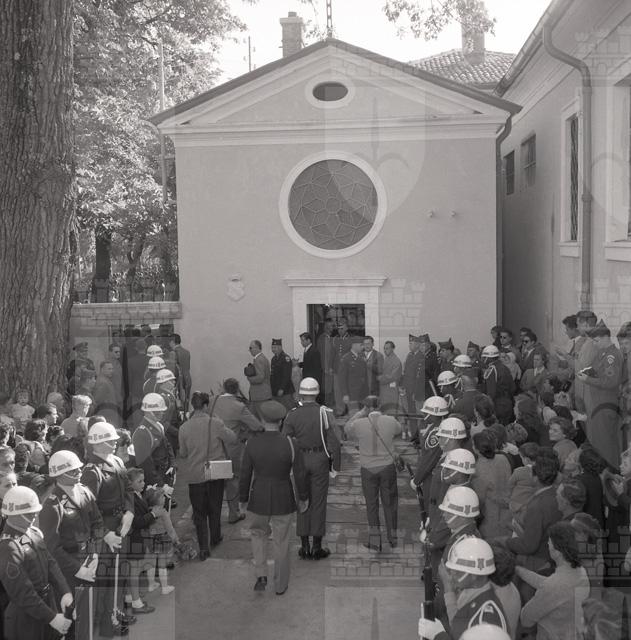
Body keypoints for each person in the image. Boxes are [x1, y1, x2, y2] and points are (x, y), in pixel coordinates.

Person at [239, 400, 308, 595]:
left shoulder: (251, 443)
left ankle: (261, 574)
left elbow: (245, 474)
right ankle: (280, 585)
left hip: (258, 497)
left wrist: (243, 499)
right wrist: (303, 497)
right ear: (281, 421)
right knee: (282, 541)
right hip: (283, 498)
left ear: (261, 420)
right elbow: (300, 474)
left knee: (258, 534)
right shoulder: (291, 444)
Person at [39, 450, 104, 638]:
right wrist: (77, 569)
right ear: (59, 474)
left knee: (87, 613)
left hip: (89, 559)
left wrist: (95, 553)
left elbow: (97, 523)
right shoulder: (52, 505)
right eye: (73, 471)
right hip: (67, 568)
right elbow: (51, 547)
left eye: (78, 469)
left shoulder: (84, 491)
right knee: (72, 618)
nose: (78, 473)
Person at [81, 422, 135, 638]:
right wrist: (104, 533)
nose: (115, 443)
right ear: (97, 443)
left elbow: (128, 488)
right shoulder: (91, 471)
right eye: (110, 440)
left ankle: (115, 615)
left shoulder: (116, 461)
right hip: (106, 530)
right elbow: (88, 508)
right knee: (106, 580)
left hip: (121, 524)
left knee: (118, 576)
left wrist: (130, 511)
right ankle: (107, 625)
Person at [0, 486, 73, 640]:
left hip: (47, 606)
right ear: (14, 514)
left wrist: (64, 590)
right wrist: (52, 618)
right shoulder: (8, 548)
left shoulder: (33, 533)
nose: (35, 515)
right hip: (26, 618)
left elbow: (50, 563)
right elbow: (23, 593)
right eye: (30, 513)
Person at [282, 378, 340, 560]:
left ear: (301, 393)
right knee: (319, 502)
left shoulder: (292, 414)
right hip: (319, 459)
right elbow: (335, 441)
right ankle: (316, 547)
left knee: (302, 499)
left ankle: (304, 546)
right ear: (317, 392)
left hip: (299, 460)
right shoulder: (325, 412)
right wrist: (336, 466)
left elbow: (285, 441)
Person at [178, 391, 236, 560]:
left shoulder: (184, 428)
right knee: (215, 508)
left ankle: (203, 547)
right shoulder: (215, 423)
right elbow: (232, 438)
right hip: (215, 473)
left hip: (195, 475)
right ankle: (215, 537)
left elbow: (183, 453)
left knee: (199, 512)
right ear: (205, 405)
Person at [417, 537, 508, 640]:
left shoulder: (487, 616)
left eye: (457, 571)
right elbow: (458, 626)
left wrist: (438, 635)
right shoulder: (471, 594)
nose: (451, 574)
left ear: (474, 575)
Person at [345, 396, 402, 551]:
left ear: (365, 407)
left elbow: (346, 429)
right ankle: (392, 538)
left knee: (371, 505)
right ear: (380, 406)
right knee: (390, 504)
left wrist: (360, 413)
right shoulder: (390, 421)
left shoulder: (359, 424)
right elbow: (399, 430)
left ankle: (375, 541)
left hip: (368, 469)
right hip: (387, 467)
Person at [517, 522, 590, 640]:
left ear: (558, 552)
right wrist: (520, 571)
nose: (547, 544)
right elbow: (550, 585)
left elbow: (526, 619)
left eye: (549, 542)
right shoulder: (580, 571)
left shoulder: (554, 585)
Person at [499, 454, 562, 571]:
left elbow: (529, 546)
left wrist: (505, 541)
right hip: (551, 554)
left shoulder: (537, 505)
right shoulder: (556, 495)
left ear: (535, 478)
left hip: (538, 560)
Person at [576, 320, 623, 468]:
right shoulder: (602, 353)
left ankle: (611, 472)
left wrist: (588, 379)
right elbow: (594, 368)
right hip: (597, 404)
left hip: (605, 405)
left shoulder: (612, 356)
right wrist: (585, 372)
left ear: (605, 338)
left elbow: (611, 382)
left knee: (605, 443)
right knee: (597, 441)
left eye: (596, 341)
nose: (595, 344)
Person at [471, 430, 512, 538]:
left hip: (490, 518)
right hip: (507, 515)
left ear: (477, 449)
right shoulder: (503, 459)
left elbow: (478, 500)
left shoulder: (478, 469)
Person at [132, 393, 176, 491]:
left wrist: (172, 465)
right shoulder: (142, 433)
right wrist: (160, 485)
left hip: (164, 474)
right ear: (148, 412)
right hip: (154, 483)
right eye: (157, 412)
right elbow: (146, 464)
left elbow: (167, 446)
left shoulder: (159, 426)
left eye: (162, 411)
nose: (161, 414)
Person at [412, 396, 450, 500]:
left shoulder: (435, 432)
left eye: (426, 412)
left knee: (429, 502)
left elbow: (429, 460)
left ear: (432, 414)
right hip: (431, 472)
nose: (424, 414)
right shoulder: (437, 425)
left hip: (430, 475)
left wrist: (417, 480)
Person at [143, 486, 177, 595]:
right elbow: (169, 527)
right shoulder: (163, 512)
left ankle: (151, 584)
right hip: (162, 538)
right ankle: (165, 587)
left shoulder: (148, 512)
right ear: (157, 500)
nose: (164, 498)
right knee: (162, 564)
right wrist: (175, 539)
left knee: (151, 563)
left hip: (150, 538)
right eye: (162, 497)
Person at [481, 345, 515, 425]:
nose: (483, 359)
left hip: (497, 406)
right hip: (508, 403)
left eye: (484, 357)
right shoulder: (505, 367)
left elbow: (491, 393)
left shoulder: (492, 370)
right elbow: (513, 388)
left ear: (489, 358)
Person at [401, 334, 425, 442]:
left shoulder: (421, 357)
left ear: (418, 345)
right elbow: (406, 373)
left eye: (411, 343)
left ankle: (419, 436)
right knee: (411, 413)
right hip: (408, 390)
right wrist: (403, 386)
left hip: (416, 391)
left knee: (418, 413)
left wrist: (416, 391)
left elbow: (419, 377)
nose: (409, 345)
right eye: (409, 343)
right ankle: (413, 434)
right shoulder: (410, 356)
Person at [338, 336, 369, 418]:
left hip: (362, 394)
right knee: (354, 417)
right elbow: (342, 379)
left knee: (363, 417)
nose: (363, 347)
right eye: (361, 345)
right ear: (354, 345)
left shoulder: (362, 356)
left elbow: (365, 376)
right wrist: (345, 394)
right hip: (352, 394)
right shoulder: (345, 359)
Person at [244, 340, 272, 419]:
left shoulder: (259, 359)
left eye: (250, 348)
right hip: (260, 395)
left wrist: (249, 378)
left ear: (256, 348)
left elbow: (260, 377)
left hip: (260, 395)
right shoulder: (260, 358)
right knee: (256, 418)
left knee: (261, 419)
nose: (249, 350)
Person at [332, 318, 353, 416]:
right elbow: (333, 354)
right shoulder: (335, 339)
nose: (340, 330)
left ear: (346, 328)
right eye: (338, 328)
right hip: (337, 369)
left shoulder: (351, 339)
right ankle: (340, 410)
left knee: (348, 390)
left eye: (342, 328)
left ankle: (350, 409)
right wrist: (331, 366)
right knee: (337, 391)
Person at [378, 340, 402, 417]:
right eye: (384, 348)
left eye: (387, 348)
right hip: (384, 390)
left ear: (392, 349)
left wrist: (380, 378)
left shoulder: (396, 361)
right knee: (385, 411)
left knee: (391, 412)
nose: (385, 350)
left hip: (391, 391)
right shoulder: (386, 359)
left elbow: (393, 376)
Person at [270, 338, 295, 411]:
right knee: (278, 411)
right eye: (272, 347)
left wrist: (282, 389)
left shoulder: (286, 358)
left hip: (285, 391)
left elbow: (286, 376)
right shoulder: (273, 359)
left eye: (275, 347)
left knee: (288, 410)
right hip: (275, 390)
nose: (273, 349)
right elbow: (272, 375)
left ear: (280, 347)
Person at [93, 360, 120, 427]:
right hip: (107, 414)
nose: (112, 371)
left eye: (112, 369)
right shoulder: (103, 382)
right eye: (109, 369)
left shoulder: (105, 380)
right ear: (102, 370)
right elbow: (97, 399)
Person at [169, 334, 191, 413]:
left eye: (169, 341)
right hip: (187, 378)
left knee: (177, 403)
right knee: (186, 401)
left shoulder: (173, 353)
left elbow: (173, 369)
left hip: (178, 380)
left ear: (172, 342)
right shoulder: (187, 352)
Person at [316, 318, 335, 407]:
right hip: (327, 371)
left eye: (332, 326)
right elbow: (324, 355)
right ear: (326, 327)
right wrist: (327, 369)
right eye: (331, 326)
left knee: (330, 391)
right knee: (327, 392)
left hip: (330, 369)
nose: (332, 328)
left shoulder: (329, 338)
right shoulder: (323, 339)